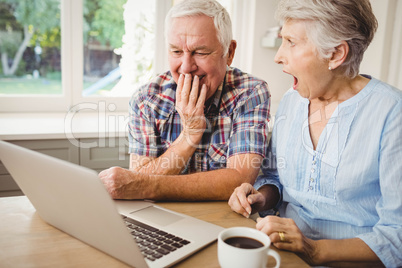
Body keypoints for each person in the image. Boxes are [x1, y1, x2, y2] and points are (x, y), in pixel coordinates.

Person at [228, 0, 402, 267]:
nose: (278, 56)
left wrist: (314, 250)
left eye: (291, 42)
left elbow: (397, 236)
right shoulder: (292, 100)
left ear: (335, 54)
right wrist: (261, 197)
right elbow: (274, 176)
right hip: (283, 257)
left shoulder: (392, 113)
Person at [99, 0, 271, 201]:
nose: (186, 67)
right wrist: (189, 135)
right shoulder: (146, 100)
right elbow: (136, 183)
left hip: (220, 222)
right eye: (176, 52)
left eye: (200, 52)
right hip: (160, 221)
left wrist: (148, 184)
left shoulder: (250, 92)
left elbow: (240, 179)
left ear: (229, 52)